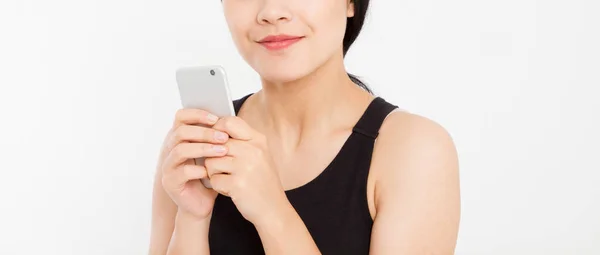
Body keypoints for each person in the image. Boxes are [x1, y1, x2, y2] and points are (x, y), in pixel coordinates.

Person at [149, 0, 461, 254]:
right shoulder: (195, 142)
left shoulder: (414, 150)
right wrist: (192, 218)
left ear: (351, 3)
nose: (272, 12)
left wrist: (272, 213)